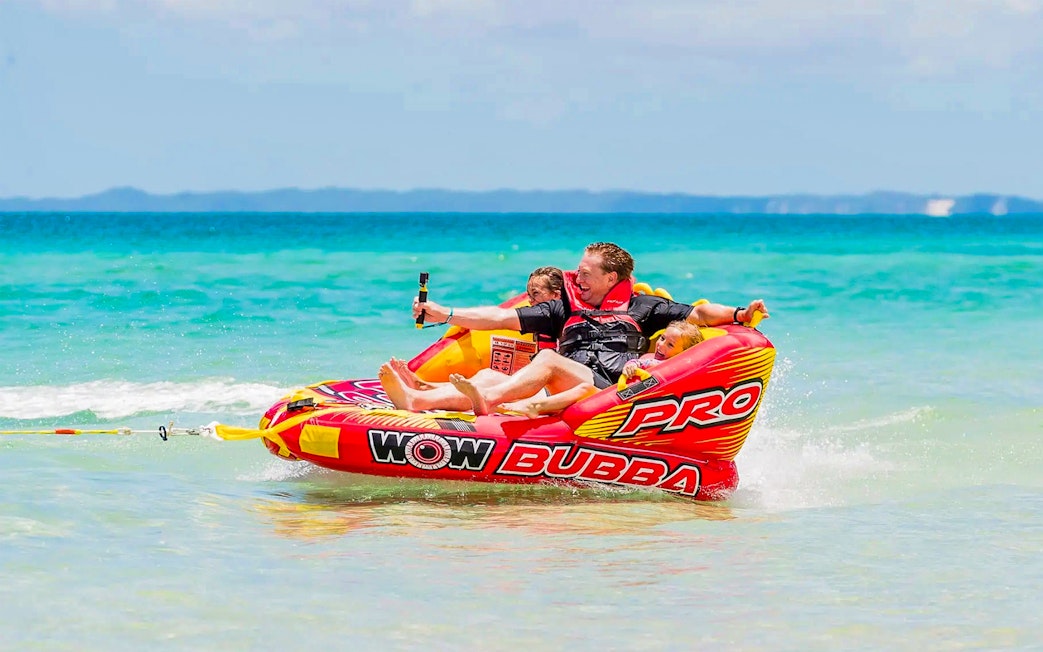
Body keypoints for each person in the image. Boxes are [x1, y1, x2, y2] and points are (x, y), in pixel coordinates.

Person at [379, 242, 768, 414]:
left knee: (549, 359)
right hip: (567, 385)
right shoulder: (564, 306)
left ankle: (485, 405)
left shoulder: (644, 307)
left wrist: (740, 314)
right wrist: (444, 313)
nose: (577, 279)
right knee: (486, 373)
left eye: (585, 273)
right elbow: (499, 319)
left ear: (610, 276)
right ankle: (420, 400)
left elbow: (700, 314)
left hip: (608, 392)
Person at [389, 266, 563, 392]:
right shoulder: (544, 317)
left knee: (493, 383)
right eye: (529, 295)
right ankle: (426, 386)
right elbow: (493, 319)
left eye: (536, 294)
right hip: (543, 384)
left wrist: (444, 314)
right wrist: (443, 316)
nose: (530, 301)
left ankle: (423, 392)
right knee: (487, 376)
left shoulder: (554, 315)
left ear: (556, 295)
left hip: (555, 390)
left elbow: (497, 318)